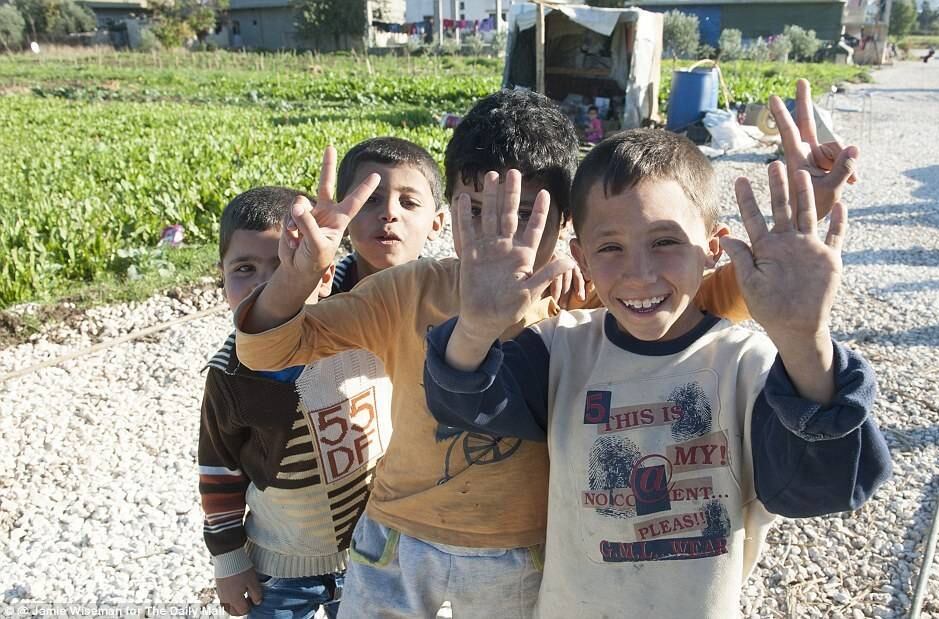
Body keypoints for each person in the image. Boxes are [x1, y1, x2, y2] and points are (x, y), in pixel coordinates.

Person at [233, 81, 858, 618]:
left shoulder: (585, 294)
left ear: (565, 227)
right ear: (451, 210)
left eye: (528, 214)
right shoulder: (407, 289)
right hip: (396, 537)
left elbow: (704, 289)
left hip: (525, 547)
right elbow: (268, 351)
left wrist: (803, 215)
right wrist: (294, 278)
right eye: (479, 211)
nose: (500, 234)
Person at [421, 129, 892, 618]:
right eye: (610, 248)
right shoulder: (560, 349)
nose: (639, 272)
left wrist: (805, 340)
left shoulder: (748, 364)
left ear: (712, 248)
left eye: (665, 241)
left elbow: (822, 488)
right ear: (580, 257)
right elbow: (462, 400)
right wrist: (476, 327)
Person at [198, 137, 446, 618]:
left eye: (407, 201)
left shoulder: (405, 309)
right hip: (284, 561)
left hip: (384, 547)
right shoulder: (235, 369)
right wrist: (228, 559)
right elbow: (219, 466)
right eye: (245, 269)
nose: (271, 281)